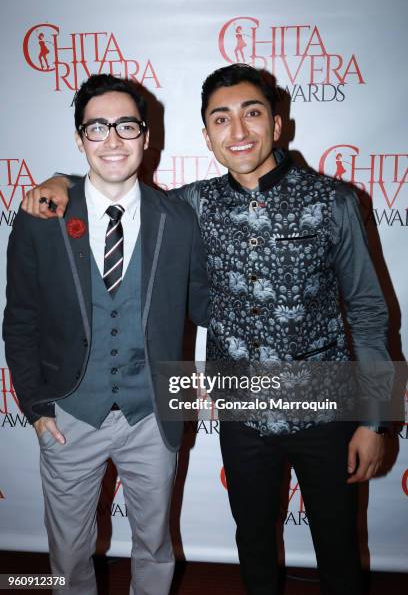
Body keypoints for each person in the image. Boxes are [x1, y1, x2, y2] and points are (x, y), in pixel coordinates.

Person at [21, 64, 392, 595]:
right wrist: (61, 181)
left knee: (338, 548)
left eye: (252, 114)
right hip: (241, 402)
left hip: (325, 398)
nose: (238, 132)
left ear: (278, 125)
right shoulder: (190, 205)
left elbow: (369, 311)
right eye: (222, 119)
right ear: (207, 136)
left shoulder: (334, 201)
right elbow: (113, 185)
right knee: (255, 548)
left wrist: (375, 420)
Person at [3, 73, 209, 595]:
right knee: (67, 555)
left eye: (126, 126)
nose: (113, 140)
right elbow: (20, 317)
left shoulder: (179, 220)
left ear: (146, 136)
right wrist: (35, 404)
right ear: (79, 139)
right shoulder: (42, 214)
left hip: (152, 418)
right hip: (71, 414)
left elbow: (206, 306)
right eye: (97, 127)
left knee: (155, 547)